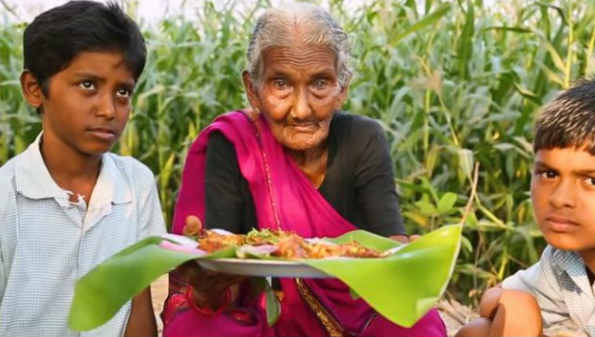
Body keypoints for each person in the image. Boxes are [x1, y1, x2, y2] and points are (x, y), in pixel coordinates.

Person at [162, 2, 446, 336]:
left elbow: (388, 246)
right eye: (280, 84)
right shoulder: (234, 143)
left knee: (418, 325)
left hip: (356, 322)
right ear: (253, 90)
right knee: (196, 327)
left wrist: (410, 261)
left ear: (343, 88)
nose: (301, 109)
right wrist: (208, 284)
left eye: (320, 83)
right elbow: (224, 264)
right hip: (265, 317)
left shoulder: (364, 139)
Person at [0, 1, 165, 336]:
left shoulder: (136, 185)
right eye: (88, 85)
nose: (108, 109)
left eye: (122, 92)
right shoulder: (6, 197)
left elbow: (137, 305)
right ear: (34, 89)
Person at [457, 76, 595, 337]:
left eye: (593, 180)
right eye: (549, 174)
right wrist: (515, 305)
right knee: (479, 330)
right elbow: (495, 297)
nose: (559, 198)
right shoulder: (564, 260)